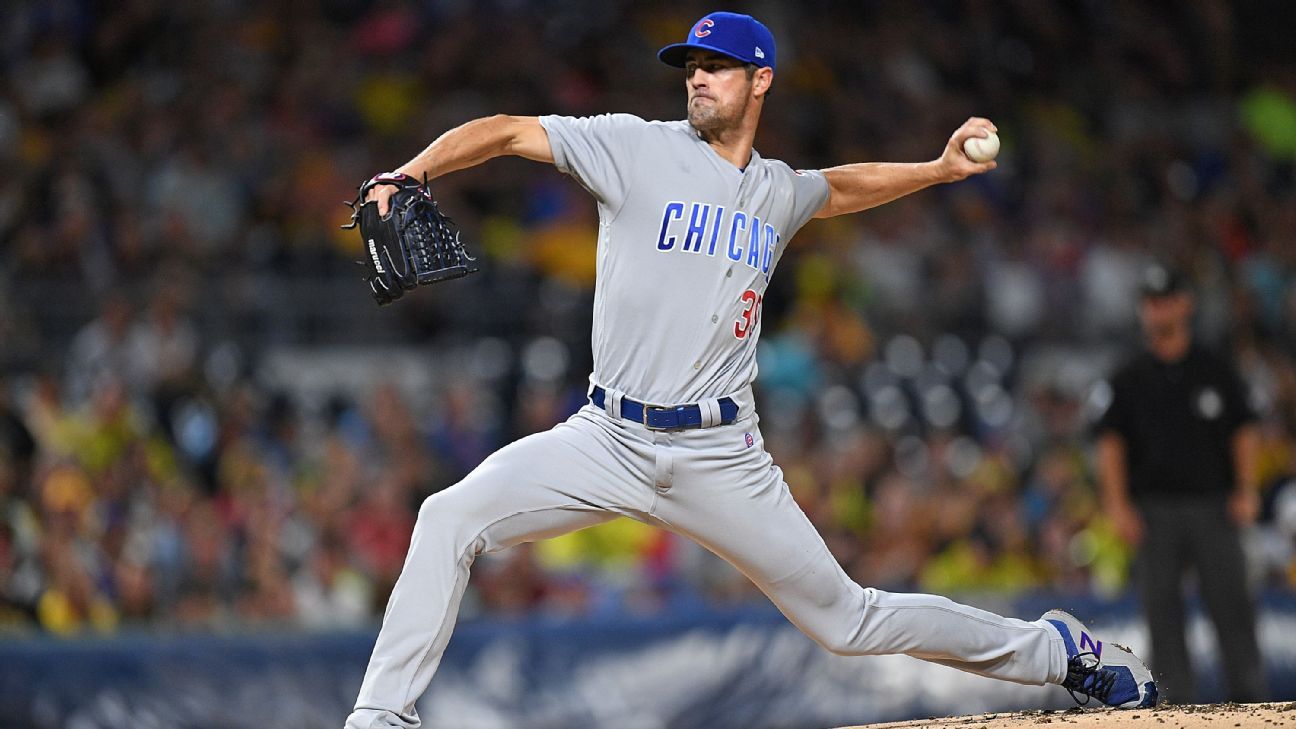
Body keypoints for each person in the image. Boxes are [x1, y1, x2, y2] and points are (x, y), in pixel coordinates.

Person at [346, 13, 1156, 728]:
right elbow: (507, 128)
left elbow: (837, 187)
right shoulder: (632, 146)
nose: (696, 76)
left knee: (848, 621)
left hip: (720, 455)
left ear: (759, 79)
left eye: (715, 66)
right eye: (690, 67)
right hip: (605, 437)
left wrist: (937, 171)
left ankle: (1059, 651)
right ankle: (381, 714)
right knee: (448, 515)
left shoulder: (775, 190)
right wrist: (412, 171)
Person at [1095, 263, 1265, 703]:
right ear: (1142, 311)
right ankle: (1175, 705)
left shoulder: (1214, 367)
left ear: (1185, 303)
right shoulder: (1129, 375)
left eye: (1166, 299)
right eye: (1150, 302)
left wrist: (1247, 488)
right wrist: (1117, 506)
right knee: (1162, 613)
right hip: (1154, 510)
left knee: (1232, 604)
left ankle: (1251, 701)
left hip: (1214, 505)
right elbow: (1110, 444)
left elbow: (1244, 430)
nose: (1158, 310)